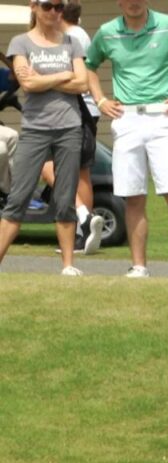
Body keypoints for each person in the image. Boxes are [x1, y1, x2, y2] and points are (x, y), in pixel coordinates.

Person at [85, 0, 168, 280]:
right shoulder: (107, 32)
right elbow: (89, 65)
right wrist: (101, 99)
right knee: (133, 197)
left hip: (162, 116)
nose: (133, 2)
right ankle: (139, 266)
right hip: (126, 118)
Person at [0, 0, 87, 276]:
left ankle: (69, 266)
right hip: (35, 128)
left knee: (64, 199)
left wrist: (44, 78)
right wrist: (64, 74)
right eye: (48, 6)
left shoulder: (72, 42)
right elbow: (27, 83)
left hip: (69, 127)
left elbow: (83, 83)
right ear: (34, 7)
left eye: (59, 7)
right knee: (18, 197)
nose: (54, 12)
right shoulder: (20, 42)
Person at [40, 0, 103, 255]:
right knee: (81, 174)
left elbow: (69, 75)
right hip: (86, 111)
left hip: (74, 111)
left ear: (60, 12)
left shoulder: (70, 38)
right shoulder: (80, 34)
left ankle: (83, 218)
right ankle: (84, 233)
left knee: (48, 168)